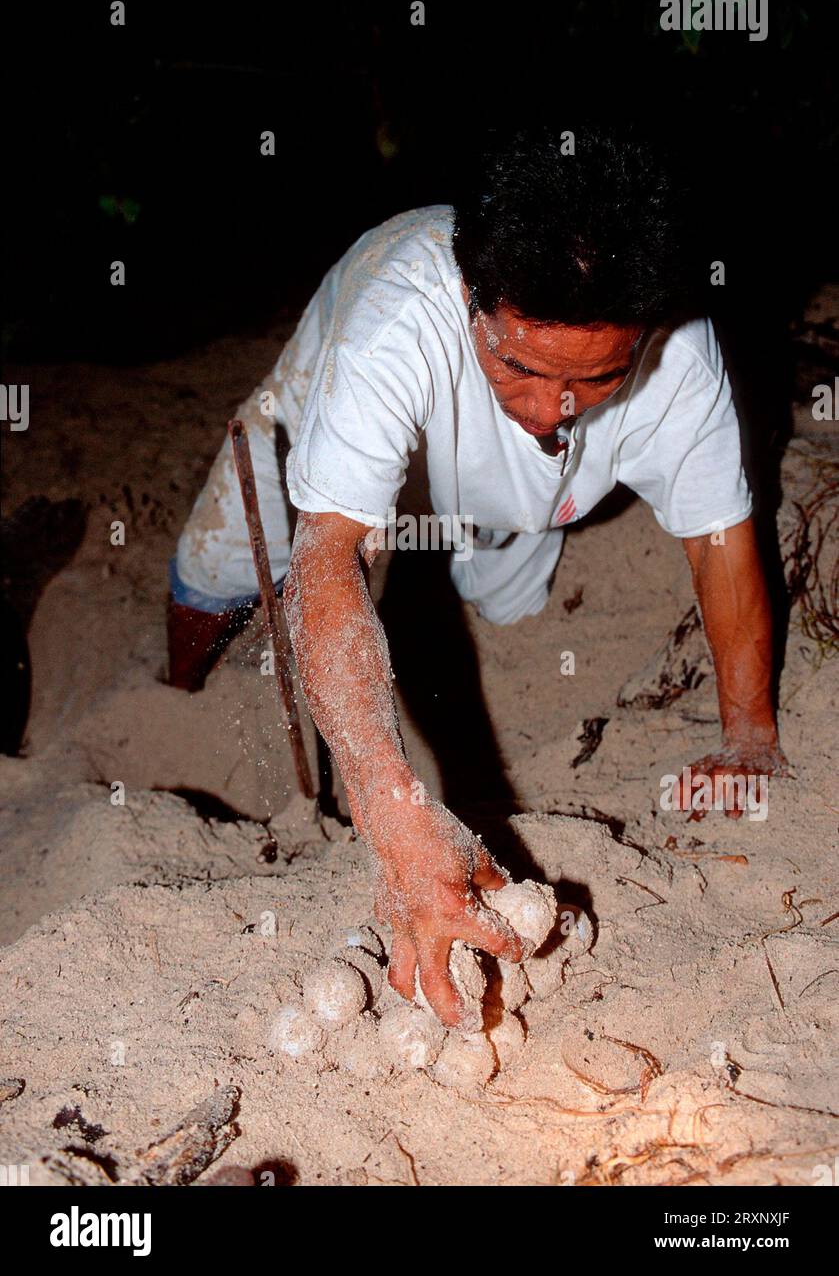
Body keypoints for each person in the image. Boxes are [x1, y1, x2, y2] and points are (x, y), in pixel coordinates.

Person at [167, 124, 787, 1026]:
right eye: (518, 366)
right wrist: (393, 810)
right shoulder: (395, 319)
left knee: (505, 599)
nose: (550, 409)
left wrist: (748, 738)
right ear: (470, 301)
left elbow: (717, 544)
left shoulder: (682, 363)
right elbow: (327, 556)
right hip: (336, 433)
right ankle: (172, 697)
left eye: (597, 378)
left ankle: (478, 548)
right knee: (218, 573)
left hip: (517, 499)